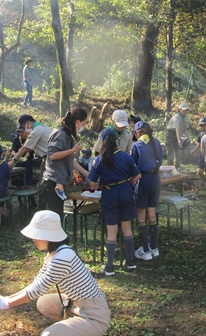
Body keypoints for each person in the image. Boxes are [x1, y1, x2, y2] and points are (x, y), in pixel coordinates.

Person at [0, 211, 109, 336]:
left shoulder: (62, 257)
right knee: (43, 303)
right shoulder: (54, 254)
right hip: (78, 304)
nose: (33, 239)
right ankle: (76, 333)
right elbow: (36, 282)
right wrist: (6, 298)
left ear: (49, 235)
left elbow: (37, 290)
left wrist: (7, 303)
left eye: (37, 235)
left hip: (94, 315)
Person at [88, 128, 141, 275]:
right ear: (116, 141)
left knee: (112, 230)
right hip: (125, 192)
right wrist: (127, 184)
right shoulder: (125, 156)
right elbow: (137, 176)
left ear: (103, 143)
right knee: (127, 228)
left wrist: (100, 184)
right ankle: (130, 262)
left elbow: (92, 183)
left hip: (109, 193)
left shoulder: (99, 159)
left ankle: (110, 266)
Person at [40, 108, 89, 219]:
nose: (83, 127)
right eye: (84, 123)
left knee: (57, 220)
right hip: (51, 184)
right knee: (53, 221)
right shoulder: (60, 133)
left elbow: (70, 159)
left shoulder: (67, 135)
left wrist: (86, 173)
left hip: (59, 184)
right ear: (77, 122)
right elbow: (52, 155)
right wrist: (73, 150)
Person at [130, 121, 164, 261]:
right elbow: (160, 161)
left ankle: (145, 250)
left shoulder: (136, 145)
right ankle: (153, 247)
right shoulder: (156, 143)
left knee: (141, 215)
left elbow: (132, 164)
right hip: (156, 180)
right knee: (152, 213)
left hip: (143, 180)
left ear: (138, 132)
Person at [8, 114, 52, 182]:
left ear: (27, 123)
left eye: (23, 127)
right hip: (50, 156)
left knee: (45, 182)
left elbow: (25, 148)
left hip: (49, 158)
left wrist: (13, 161)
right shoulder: (43, 126)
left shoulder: (36, 130)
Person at [165, 102, 190, 168]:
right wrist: (179, 140)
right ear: (180, 109)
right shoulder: (176, 117)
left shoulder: (185, 118)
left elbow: (184, 129)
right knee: (170, 154)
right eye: (184, 110)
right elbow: (177, 129)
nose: (185, 111)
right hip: (170, 135)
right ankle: (170, 170)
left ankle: (177, 169)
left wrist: (188, 137)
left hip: (177, 135)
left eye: (186, 110)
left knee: (178, 154)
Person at [10, 122, 32, 188]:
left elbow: (29, 152)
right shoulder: (16, 140)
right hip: (17, 161)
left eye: (22, 132)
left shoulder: (30, 139)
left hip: (28, 161)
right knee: (18, 182)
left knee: (27, 183)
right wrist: (16, 155)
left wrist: (23, 158)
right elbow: (12, 151)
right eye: (19, 132)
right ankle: (19, 196)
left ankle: (31, 197)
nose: (21, 134)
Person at [190, 116, 206, 188]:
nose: (202, 127)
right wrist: (194, 150)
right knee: (199, 171)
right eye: (201, 125)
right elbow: (199, 142)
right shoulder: (201, 132)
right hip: (202, 153)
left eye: (203, 125)